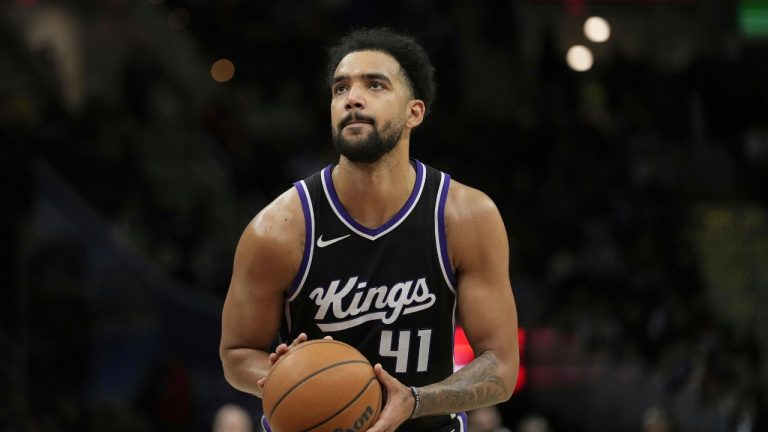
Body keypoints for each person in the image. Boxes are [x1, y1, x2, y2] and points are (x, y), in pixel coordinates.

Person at [219, 27, 519, 432]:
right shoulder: (278, 230)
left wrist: (413, 402)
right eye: (340, 88)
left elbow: (500, 366)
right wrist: (285, 373)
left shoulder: (466, 216)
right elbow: (237, 352)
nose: (352, 99)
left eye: (375, 85)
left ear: (415, 112)